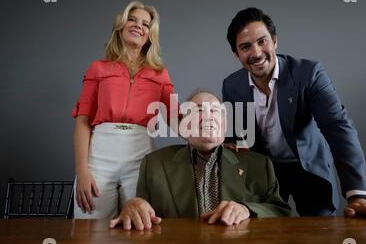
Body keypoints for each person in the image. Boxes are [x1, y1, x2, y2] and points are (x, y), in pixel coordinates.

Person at [222, 7, 366, 221]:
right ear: (236, 54)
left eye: (262, 41)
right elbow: (235, 139)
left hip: (308, 169)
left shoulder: (309, 74)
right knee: (258, 238)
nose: (255, 53)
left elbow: (337, 127)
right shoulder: (232, 85)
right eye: (245, 47)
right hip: (264, 173)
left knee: (321, 239)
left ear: (274, 41)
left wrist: (358, 195)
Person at [109, 90, 291, 230]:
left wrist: (247, 209)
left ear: (225, 125)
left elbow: (280, 210)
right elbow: (141, 207)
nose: (207, 116)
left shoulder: (258, 164)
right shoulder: (154, 164)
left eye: (214, 111)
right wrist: (134, 205)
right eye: (197, 111)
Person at [72, 0, 177, 219]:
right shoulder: (98, 68)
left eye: (146, 24)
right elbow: (83, 120)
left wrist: (216, 140)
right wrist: (82, 171)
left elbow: (177, 119)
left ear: (150, 35)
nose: (139, 25)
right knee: (92, 229)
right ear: (121, 26)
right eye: (132, 19)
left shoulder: (160, 73)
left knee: (140, 225)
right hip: (99, 155)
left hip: (141, 155)